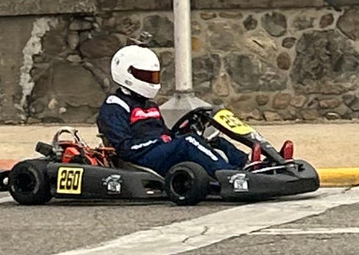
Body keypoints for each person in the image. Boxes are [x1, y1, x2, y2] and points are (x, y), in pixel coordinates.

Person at [96, 45, 249, 176]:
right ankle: (230, 175)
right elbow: (125, 148)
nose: (151, 81)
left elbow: (165, 134)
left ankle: (249, 165)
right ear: (128, 73)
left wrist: (180, 133)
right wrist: (159, 141)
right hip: (140, 156)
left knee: (212, 139)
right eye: (146, 76)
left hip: (160, 151)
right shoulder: (115, 106)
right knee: (188, 142)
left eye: (153, 77)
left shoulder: (150, 105)